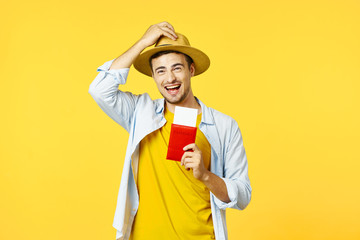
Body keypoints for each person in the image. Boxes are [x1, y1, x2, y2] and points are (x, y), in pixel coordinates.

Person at [88, 22, 251, 240]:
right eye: (160, 71)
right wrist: (143, 42)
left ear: (191, 70)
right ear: (153, 77)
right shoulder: (140, 113)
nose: (170, 78)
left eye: (177, 68)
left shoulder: (224, 126)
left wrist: (205, 175)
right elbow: (99, 90)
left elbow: (243, 196)